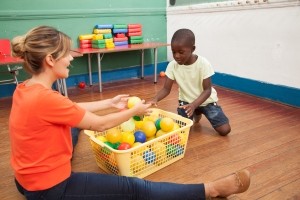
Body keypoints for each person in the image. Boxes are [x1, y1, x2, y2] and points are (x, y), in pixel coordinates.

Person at [9, 26, 250, 200]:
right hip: (49, 189)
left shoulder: (26, 89)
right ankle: (212, 190)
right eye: (67, 53)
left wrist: (110, 101)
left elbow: (69, 110)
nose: (72, 57)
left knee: (74, 123)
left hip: (26, 181)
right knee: (134, 188)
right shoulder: (46, 98)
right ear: (51, 59)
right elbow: (101, 125)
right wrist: (134, 110)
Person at [150, 28, 231, 136]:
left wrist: (194, 105)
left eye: (181, 52)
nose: (177, 56)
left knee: (225, 130)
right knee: (183, 131)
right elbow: (166, 89)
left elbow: (207, 90)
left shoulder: (203, 64)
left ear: (192, 49)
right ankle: (197, 111)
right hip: (186, 103)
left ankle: (198, 110)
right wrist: (154, 99)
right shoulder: (172, 66)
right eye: (174, 52)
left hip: (207, 101)